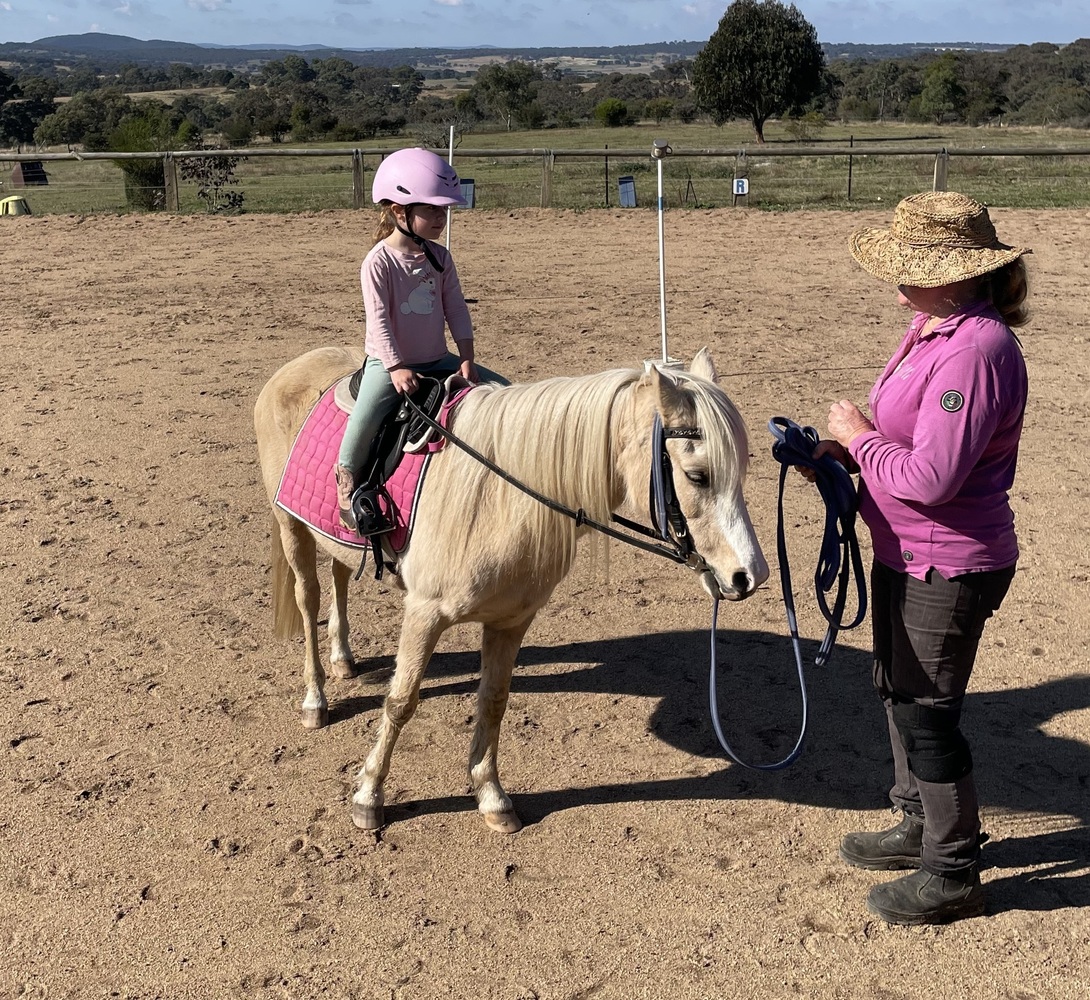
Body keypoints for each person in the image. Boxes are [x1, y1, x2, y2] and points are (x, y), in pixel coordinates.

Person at [805, 191, 1031, 925]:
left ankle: (953, 869)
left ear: (958, 273)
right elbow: (908, 445)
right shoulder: (933, 326)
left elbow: (934, 479)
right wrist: (841, 455)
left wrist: (859, 438)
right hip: (906, 551)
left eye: (913, 262)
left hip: (949, 561)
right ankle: (917, 823)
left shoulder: (976, 349)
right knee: (898, 692)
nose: (895, 274)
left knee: (928, 715)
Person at [334, 147, 507, 531]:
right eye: (431, 209)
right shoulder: (378, 262)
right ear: (399, 212)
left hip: (437, 358)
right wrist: (395, 367)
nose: (440, 218)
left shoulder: (441, 258)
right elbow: (379, 320)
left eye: (443, 210)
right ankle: (346, 485)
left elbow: (456, 308)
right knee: (362, 425)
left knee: (506, 392)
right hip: (388, 364)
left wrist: (466, 356)